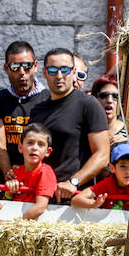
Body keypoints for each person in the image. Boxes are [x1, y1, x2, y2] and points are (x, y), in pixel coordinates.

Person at [28, 48, 110, 203]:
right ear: (45, 73)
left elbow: (103, 155)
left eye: (64, 70)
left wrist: (74, 181)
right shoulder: (37, 110)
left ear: (73, 71)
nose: (59, 76)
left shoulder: (88, 104)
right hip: (39, 197)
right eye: (53, 70)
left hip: (74, 200)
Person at [0, 40, 48, 176]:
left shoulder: (48, 98)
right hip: (7, 177)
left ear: (36, 66)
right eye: (15, 67)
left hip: (39, 177)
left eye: (27, 66)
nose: (22, 72)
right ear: (6, 68)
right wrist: (9, 174)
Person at [4, 123, 56, 220]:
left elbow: (40, 207)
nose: (34, 148)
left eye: (41, 144)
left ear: (47, 152)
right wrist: (10, 192)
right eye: (30, 143)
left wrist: (17, 223)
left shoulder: (45, 172)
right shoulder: (16, 171)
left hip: (29, 226)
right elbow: (6, 200)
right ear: (20, 147)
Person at [71, 142, 129, 210]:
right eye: (123, 166)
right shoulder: (108, 183)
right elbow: (75, 200)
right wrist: (94, 204)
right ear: (112, 168)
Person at [90, 76, 128, 144]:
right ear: (95, 99)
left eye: (115, 96)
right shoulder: (85, 129)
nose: (110, 100)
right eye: (104, 95)